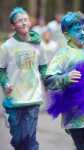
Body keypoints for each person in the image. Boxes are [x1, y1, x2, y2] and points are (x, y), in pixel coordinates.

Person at [44, 11, 84, 150]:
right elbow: (49, 80)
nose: (83, 32)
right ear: (66, 34)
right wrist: (66, 78)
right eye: (77, 30)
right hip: (74, 117)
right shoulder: (63, 55)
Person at [0, 7, 48, 150]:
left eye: (26, 19)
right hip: (13, 99)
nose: (24, 22)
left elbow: (43, 67)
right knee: (19, 138)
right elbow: (1, 70)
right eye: (19, 21)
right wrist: (5, 82)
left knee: (30, 137)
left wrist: (48, 82)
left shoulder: (38, 44)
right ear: (13, 26)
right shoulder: (7, 47)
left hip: (33, 97)